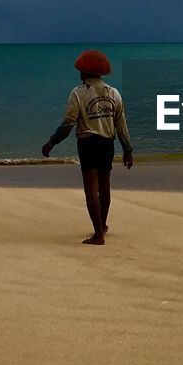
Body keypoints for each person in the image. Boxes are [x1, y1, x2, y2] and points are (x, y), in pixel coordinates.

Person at [42, 50, 134, 245]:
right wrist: (127, 149)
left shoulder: (78, 93)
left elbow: (68, 124)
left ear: (85, 73)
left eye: (81, 70)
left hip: (88, 143)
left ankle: (98, 234)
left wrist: (52, 142)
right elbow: (121, 124)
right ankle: (103, 225)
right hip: (108, 143)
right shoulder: (114, 93)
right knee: (105, 186)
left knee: (91, 189)